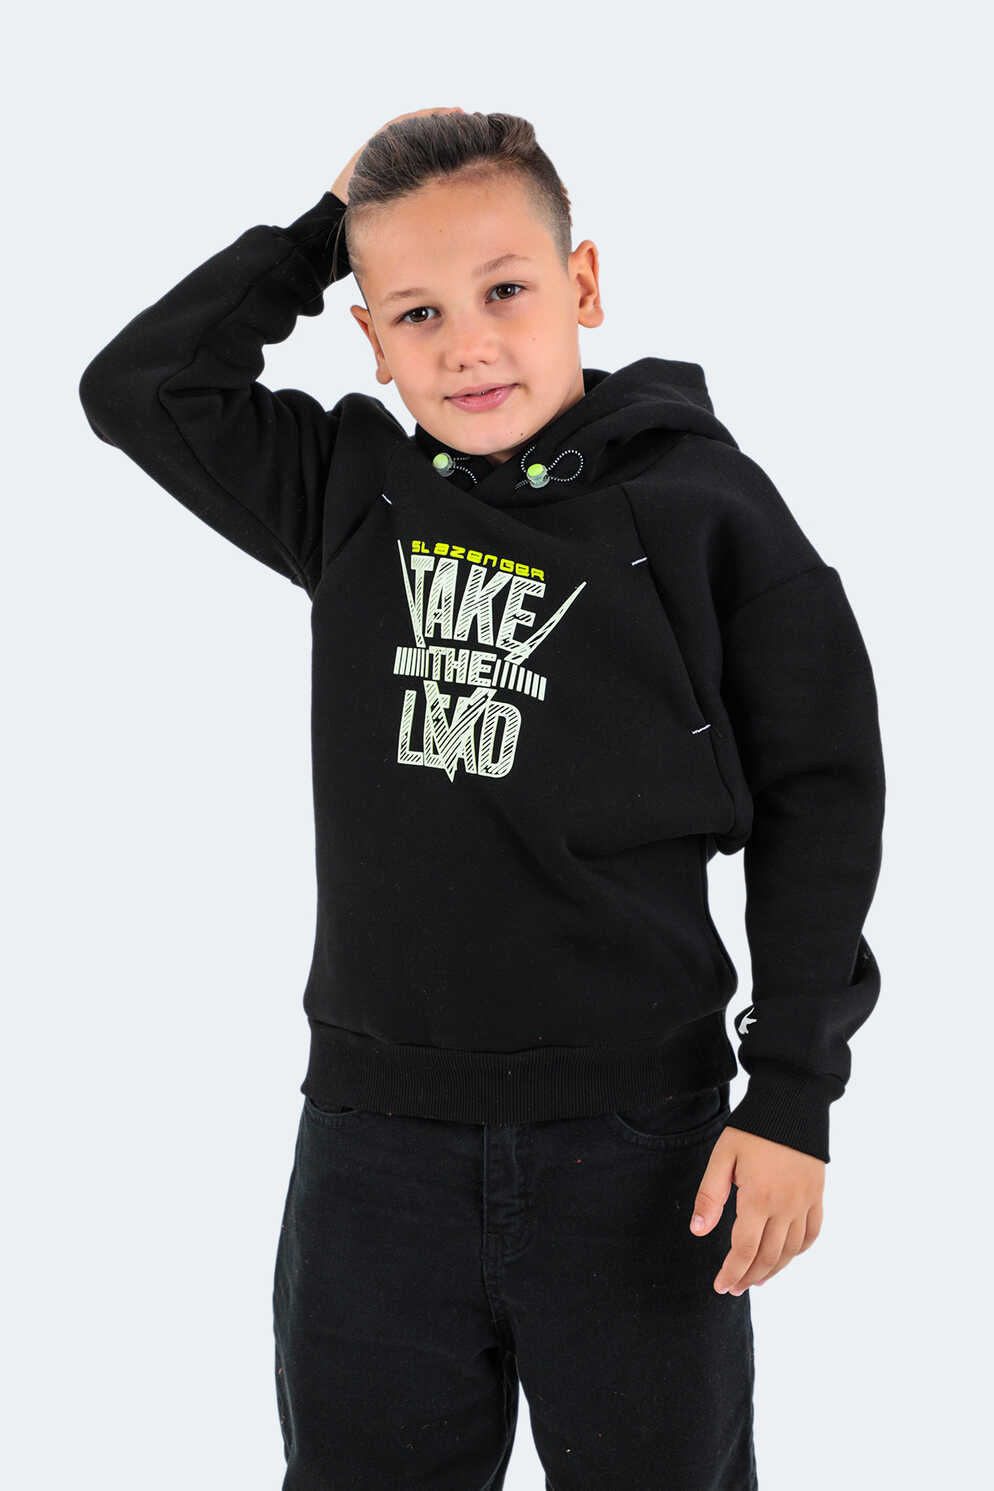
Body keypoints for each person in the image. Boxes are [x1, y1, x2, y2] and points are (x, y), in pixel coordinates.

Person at [78, 107, 885, 1491]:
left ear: (581, 284)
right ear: (371, 342)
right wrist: (318, 232)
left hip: (642, 1148)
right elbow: (140, 387)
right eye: (417, 313)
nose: (466, 345)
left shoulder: (708, 507)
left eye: (505, 290)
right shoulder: (353, 492)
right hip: (374, 1151)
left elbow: (822, 795)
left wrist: (794, 1096)